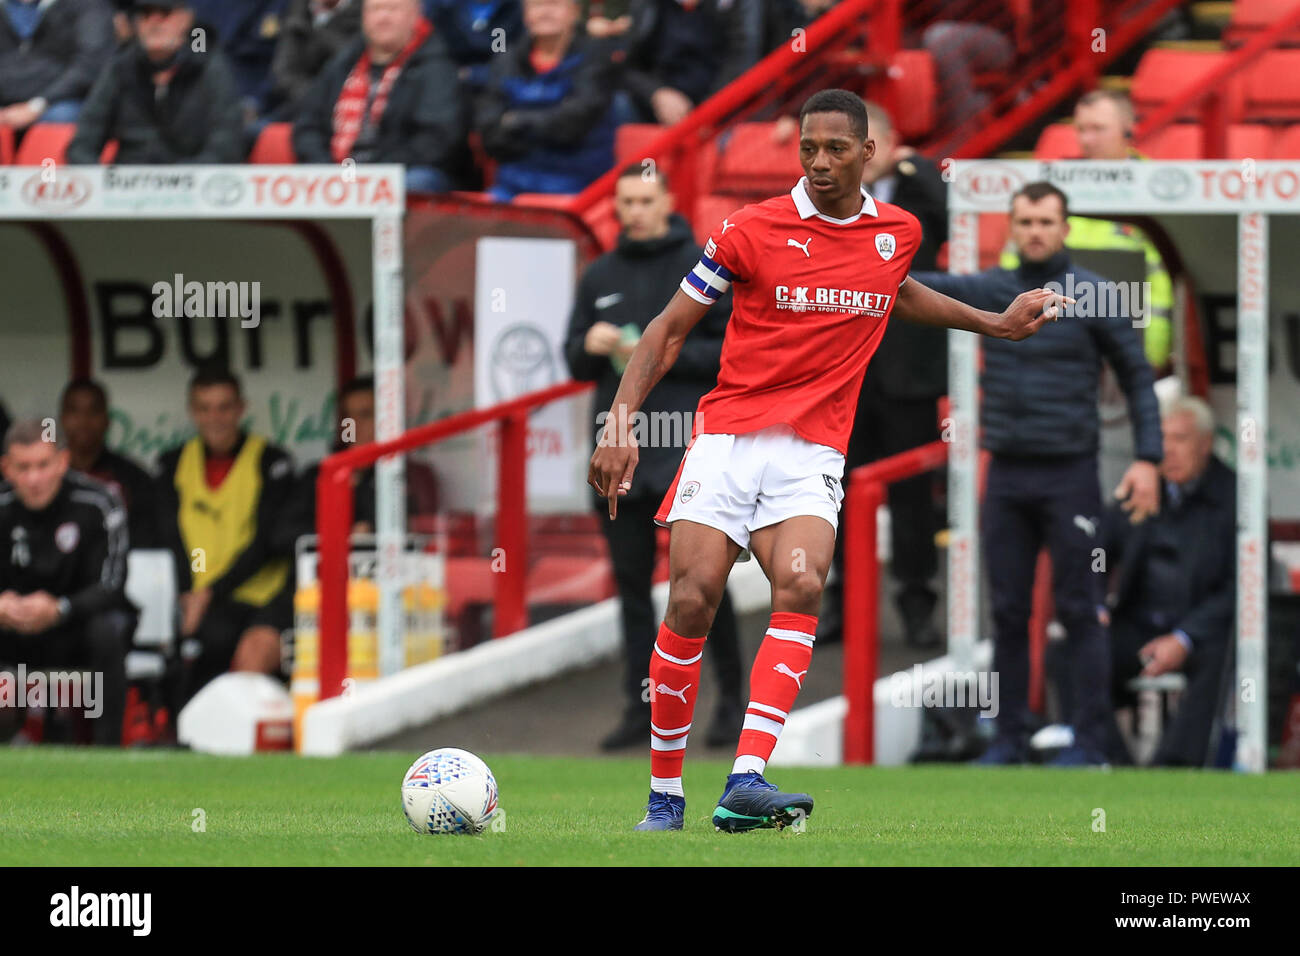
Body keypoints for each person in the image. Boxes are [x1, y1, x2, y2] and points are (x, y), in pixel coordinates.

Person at [589, 89, 1061, 831]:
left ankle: (746, 778)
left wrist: (993, 324)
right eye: (808, 148)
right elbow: (668, 330)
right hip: (729, 436)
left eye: (836, 149)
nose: (818, 162)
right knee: (690, 600)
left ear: (868, 153)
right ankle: (665, 796)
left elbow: (896, 293)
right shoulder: (749, 229)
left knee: (803, 583)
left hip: (812, 448)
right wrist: (621, 420)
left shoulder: (896, 231)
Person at [912, 181, 1163, 767]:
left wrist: (1149, 458)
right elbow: (915, 288)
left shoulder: (1096, 296)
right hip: (1007, 476)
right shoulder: (992, 289)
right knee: (1006, 611)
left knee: (1081, 608)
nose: (1035, 231)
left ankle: (1091, 742)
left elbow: (1138, 377)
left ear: (1065, 228)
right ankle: (1008, 739)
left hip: (1071, 473)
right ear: (1013, 227)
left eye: (1046, 221)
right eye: (1024, 221)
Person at [565, 163, 742, 751]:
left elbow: (729, 354)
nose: (635, 211)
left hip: (689, 448)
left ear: (668, 199)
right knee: (632, 587)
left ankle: (731, 707)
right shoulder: (600, 274)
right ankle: (641, 710)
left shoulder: (703, 263)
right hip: (620, 451)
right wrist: (590, 346)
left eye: (645, 199)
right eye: (626, 202)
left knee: (703, 583)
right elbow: (573, 361)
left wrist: (656, 349)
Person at [821, 100, 948, 649]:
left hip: (907, 378)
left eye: (874, 142)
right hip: (841, 378)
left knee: (913, 501)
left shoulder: (924, 193)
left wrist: (920, 170)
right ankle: (839, 605)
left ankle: (917, 604)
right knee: (833, 495)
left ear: (893, 145)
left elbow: (950, 228)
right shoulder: (824, 201)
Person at [1102, 396, 1234, 767]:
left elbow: (1240, 586)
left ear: (1205, 444)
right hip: (1139, 625)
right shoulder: (1138, 490)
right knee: (1074, 651)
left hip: (1201, 631)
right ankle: (1114, 765)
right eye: (1162, 440)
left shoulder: (1237, 498)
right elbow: (1095, 555)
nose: (1168, 451)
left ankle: (1174, 767)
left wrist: (1184, 638)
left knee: (1224, 655)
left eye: (1180, 439)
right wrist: (1096, 604)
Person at [1003, 90, 1174, 371]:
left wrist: (1151, 354)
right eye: (1081, 129)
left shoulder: (1156, 188)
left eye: (1098, 129)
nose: (1087, 139)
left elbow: (1162, 280)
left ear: (1128, 128)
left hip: (1126, 342)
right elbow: (1015, 261)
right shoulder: (1054, 187)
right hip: (1055, 345)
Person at [156, 367, 296, 708]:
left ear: (241, 408)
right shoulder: (172, 463)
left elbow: (268, 541)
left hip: (259, 596)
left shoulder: (271, 461)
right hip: (196, 598)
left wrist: (209, 594)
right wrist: (188, 594)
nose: (214, 417)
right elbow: (168, 535)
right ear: (192, 411)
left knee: (224, 642)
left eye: (224, 407)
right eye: (204, 408)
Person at [0, 419, 132, 745]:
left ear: (62, 461)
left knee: (108, 628)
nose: (34, 478)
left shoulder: (100, 502)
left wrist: (61, 608)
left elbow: (113, 583)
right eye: (23, 467)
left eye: (43, 465)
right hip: (10, 629)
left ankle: (108, 752)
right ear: (6, 468)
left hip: (73, 628)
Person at [291, 0, 465, 194]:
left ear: (415, 15)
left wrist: (372, 174)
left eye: (392, 9)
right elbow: (307, 127)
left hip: (405, 174)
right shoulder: (341, 66)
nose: (383, 18)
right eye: (375, 9)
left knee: (417, 182)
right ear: (363, 16)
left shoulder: (436, 68)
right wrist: (327, 170)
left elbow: (437, 140)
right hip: (337, 171)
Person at [66, 0, 246, 164]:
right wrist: (100, 182)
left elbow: (227, 142)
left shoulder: (209, 66)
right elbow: (84, 140)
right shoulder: (120, 67)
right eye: (145, 14)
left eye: (165, 14)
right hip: (125, 188)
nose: (154, 22)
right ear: (136, 23)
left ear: (186, 19)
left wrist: (182, 177)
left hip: (192, 187)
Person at [475, 0, 617, 200]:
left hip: (579, 189)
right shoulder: (506, 61)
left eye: (554, 4)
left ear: (574, 13)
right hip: (510, 189)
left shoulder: (596, 60)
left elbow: (573, 125)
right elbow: (488, 129)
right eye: (537, 5)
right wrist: (544, 126)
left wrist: (514, 121)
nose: (545, 12)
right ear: (525, 15)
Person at [621, 0, 762, 126]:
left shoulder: (735, 7)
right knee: (619, 107)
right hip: (658, 107)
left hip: (719, 110)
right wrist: (656, 93)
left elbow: (741, 60)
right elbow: (628, 67)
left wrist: (706, 112)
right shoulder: (649, 7)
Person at [59, 379, 159, 550]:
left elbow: (148, 544)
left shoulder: (134, 478)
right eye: (74, 410)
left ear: (107, 419)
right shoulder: (45, 478)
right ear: (62, 419)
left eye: (93, 411)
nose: (84, 421)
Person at [0, 0, 114, 130]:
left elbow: (91, 64)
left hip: (60, 100)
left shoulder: (88, 6)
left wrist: (37, 105)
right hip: (7, 100)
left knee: (61, 117)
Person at [270, 0, 363, 116]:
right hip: (299, 105)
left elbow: (354, 66)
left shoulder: (364, 13)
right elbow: (284, 71)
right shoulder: (299, 11)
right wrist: (311, 98)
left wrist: (322, 34)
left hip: (344, 108)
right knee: (255, 131)